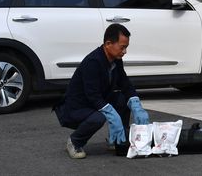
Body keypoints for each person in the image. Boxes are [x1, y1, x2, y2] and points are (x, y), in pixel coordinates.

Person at [53, 24, 150, 159]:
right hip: (77, 108)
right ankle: (75, 142)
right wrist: (112, 115)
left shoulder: (116, 59)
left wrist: (136, 104)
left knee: (123, 99)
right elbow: (93, 96)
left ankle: (117, 139)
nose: (125, 51)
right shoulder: (93, 62)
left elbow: (125, 84)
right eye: (122, 47)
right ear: (108, 44)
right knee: (99, 117)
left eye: (126, 47)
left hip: (95, 101)